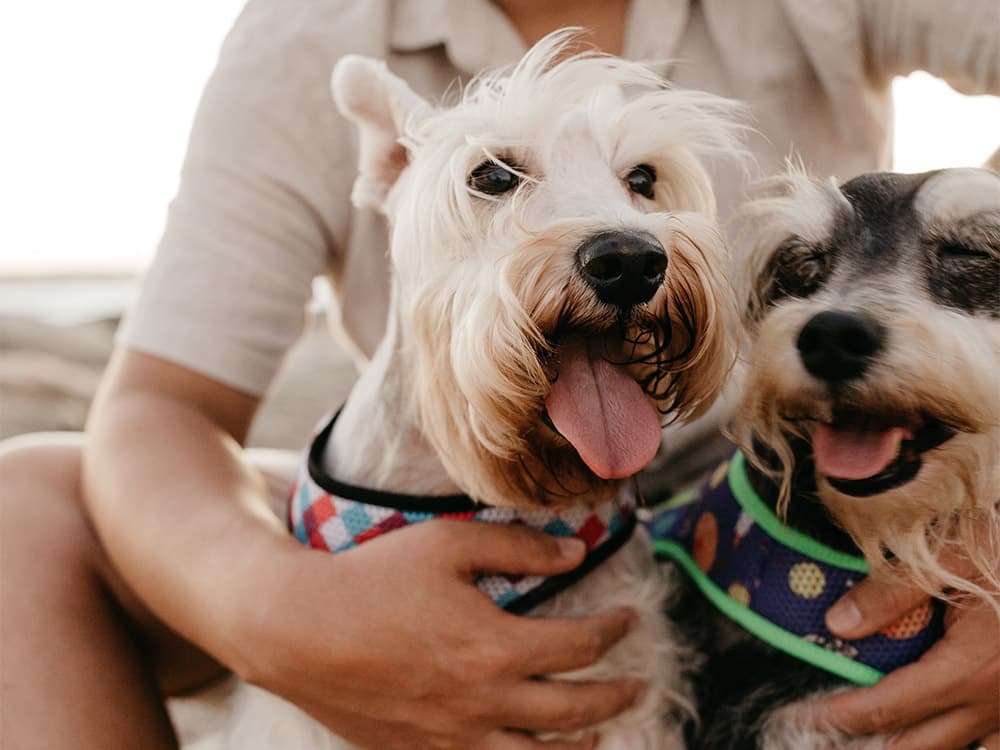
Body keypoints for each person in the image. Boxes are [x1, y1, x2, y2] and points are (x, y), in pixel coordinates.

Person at [1, 1, 998, 749]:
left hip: (800, 483)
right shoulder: (310, 31)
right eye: (494, 181)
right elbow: (165, 402)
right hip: (435, 494)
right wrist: (281, 615)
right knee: (27, 510)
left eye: (643, 183)